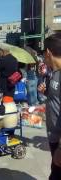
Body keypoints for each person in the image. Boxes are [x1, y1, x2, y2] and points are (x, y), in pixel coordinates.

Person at [38, 33, 61, 180]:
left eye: (44, 55)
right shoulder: (54, 73)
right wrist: (46, 92)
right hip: (54, 136)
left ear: (48, 53)